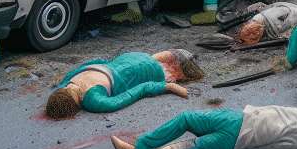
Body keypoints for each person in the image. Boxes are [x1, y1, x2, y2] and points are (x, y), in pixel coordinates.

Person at [112, 105, 297, 149]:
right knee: (187, 147)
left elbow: (262, 109)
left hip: (235, 118)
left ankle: (139, 148)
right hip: (235, 141)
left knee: (186, 118)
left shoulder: (294, 111)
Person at [44, 50, 204, 119]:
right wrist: (166, 86)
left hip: (138, 68)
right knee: (175, 62)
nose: (73, 87)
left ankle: (187, 59)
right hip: (132, 62)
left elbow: (137, 91)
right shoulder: (76, 86)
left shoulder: (89, 98)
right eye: (72, 91)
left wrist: (165, 86)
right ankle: (187, 58)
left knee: (175, 64)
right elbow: (95, 62)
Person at [233, 2, 297, 46]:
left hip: (261, 19)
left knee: (244, 39)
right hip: (268, 24)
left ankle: (243, 40)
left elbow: (268, 6)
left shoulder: (291, 6)